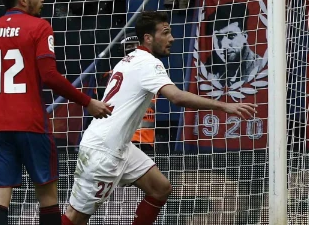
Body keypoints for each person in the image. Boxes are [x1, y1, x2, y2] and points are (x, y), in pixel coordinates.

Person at [64, 12, 256, 225]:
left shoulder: (128, 60)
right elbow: (176, 97)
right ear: (148, 38)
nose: (172, 38)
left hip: (120, 146)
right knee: (76, 218)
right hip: (103, 150)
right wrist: (224, 106)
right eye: (165, 33)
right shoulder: (148, 63)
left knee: (160, 188)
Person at [0, 0, 112, 225]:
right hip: (31, 124)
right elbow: (50, 76)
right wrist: (87, 102)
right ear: (23, 0)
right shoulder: (40, 27)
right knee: (46, 196)